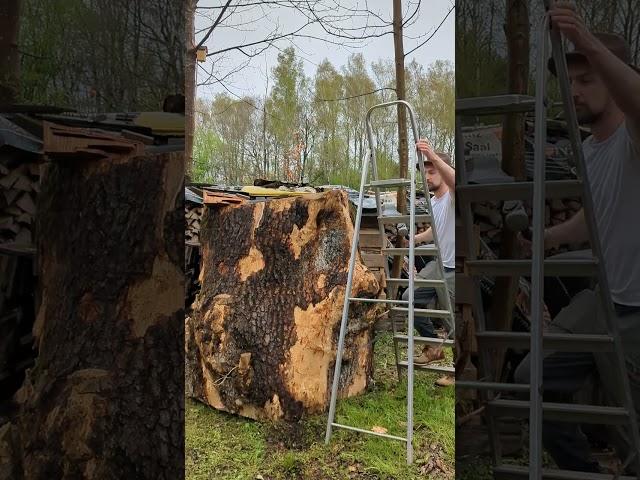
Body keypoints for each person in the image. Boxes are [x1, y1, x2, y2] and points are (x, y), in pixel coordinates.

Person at [514, 2, 640, 473]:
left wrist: (585, 40)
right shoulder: (589, 149)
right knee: (532, 379)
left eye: (587, 79)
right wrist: (543, 239)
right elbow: (594, 216)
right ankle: (584, 472)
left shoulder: (633, 134)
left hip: (638, 306)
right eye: (570, 81)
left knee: (633, 426)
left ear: (616, 77)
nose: (575, 91)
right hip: (604, 298)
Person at [401, 138, 455, 387]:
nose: (428, 176)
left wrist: (433, 155)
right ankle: (433, 346)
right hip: (439, 264)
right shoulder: (434, 202)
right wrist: (415, 239)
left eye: (432, 171)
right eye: (425, 172)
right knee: (408, 299)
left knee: (453, 320)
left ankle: (458, 372)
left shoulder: (452, 196)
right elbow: (436, 230)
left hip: (456, 268)